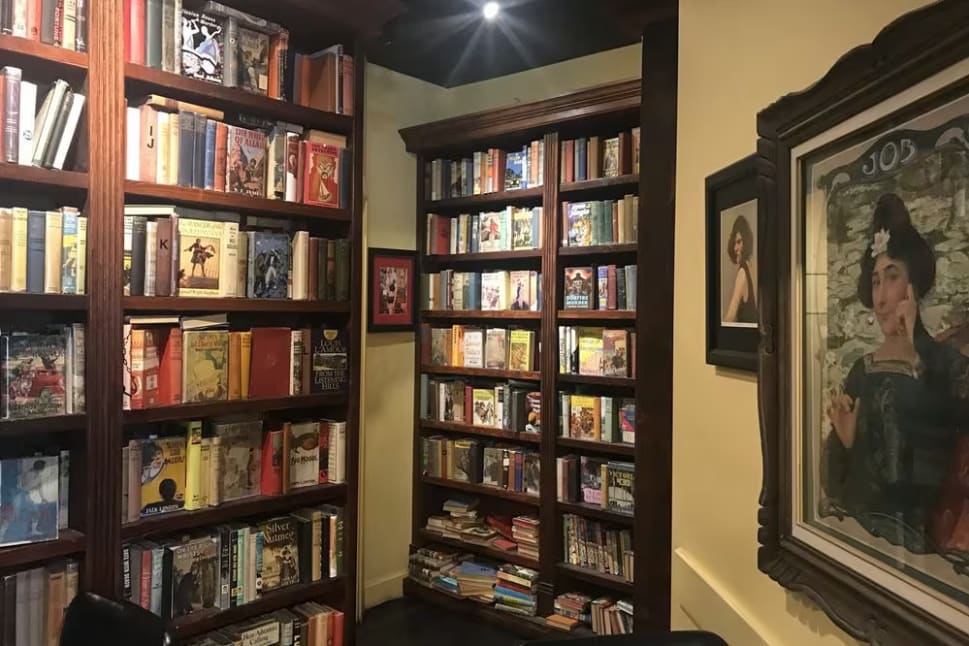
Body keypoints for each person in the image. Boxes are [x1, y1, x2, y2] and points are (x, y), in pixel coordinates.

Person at [822, 192, 969, 555]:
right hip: (860, 540)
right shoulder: (862, 369)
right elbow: (835, 483)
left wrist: (919, 342)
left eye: (892, 277)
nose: (881, 297)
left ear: (913, 286)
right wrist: (845, 440)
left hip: (920, 551)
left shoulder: (944, 362)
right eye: (875, 281)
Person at [723, 214, 757, 324]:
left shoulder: (742, 273)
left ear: (746, 242)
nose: (735, 248)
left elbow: (730, 316)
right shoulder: (748, 269)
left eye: (739, 242)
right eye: (734, 243)